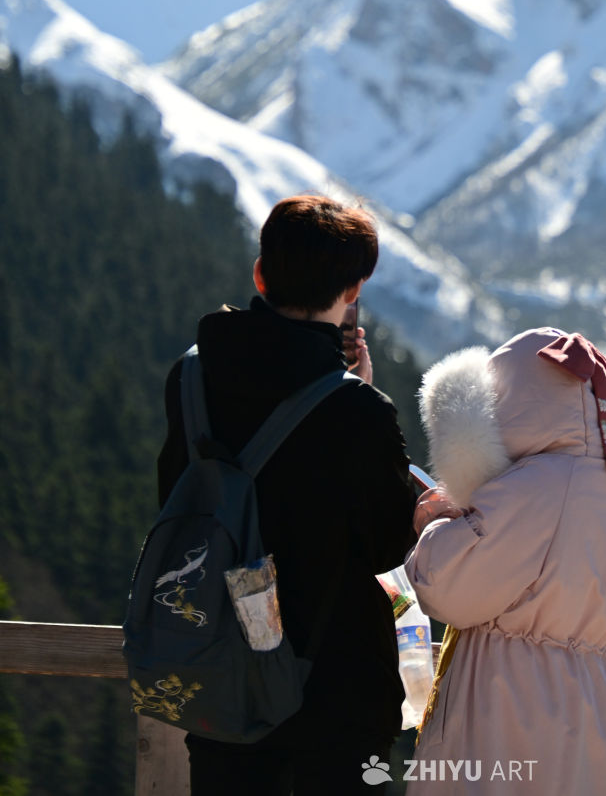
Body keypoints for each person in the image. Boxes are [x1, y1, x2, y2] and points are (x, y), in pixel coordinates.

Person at [157, 193, 418, 796]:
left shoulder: (191, 377)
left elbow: (177, 498)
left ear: (260, 274)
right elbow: (384, 546)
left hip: (220, 677)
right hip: (334, 694)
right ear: (353, 291)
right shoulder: (358, 409)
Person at [405, 327, 606, 795]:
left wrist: (433, 524)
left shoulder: (537, 485)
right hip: (588, 703)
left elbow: (445, 587)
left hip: (510, 703)